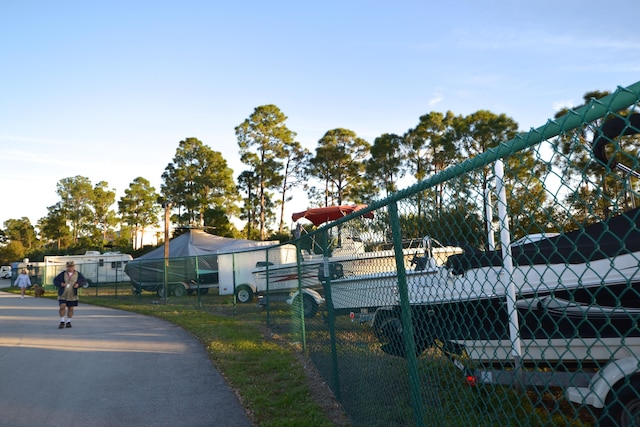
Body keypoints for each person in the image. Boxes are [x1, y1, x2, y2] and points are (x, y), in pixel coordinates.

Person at [53, 261, 87, 329]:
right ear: (67, 267)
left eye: (71, 266)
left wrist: (78, 284)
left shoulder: (78, 274)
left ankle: (68, 321)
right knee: (62, 306)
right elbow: (55, 280)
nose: (70, 268)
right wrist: (61, 284)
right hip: (63, 293)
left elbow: (83, 281)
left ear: (74, 267)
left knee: (70, 308)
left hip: (72, 294)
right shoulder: (63, 274)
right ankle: (62, 321)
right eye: (69, 267)